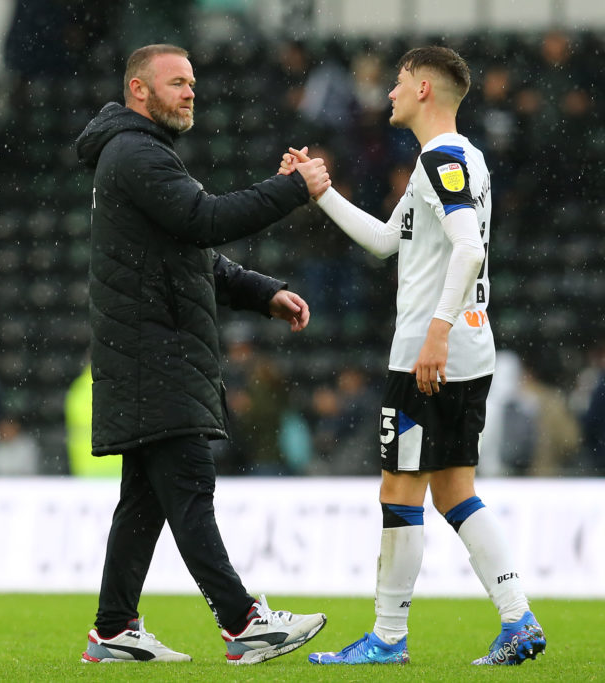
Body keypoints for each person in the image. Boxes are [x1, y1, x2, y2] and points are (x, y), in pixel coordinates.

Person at [282, 46, 546, 666]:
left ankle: (387, 637)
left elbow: (467, 250)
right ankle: (519, 620)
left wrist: (434, 331)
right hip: (468, 350)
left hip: (432, 356)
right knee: (455, 492)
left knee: (399, 491)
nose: (389, 93)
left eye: (398, 83)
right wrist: (322, 191)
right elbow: (383, 242)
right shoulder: (457, 159)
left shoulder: (442, 159)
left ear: (425, 88)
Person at [74, 43, 330, 665]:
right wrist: (290, 188)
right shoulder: (136, 153)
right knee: (188, 487)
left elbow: (195, 255)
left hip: (149, 354)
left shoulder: (140, 154)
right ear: (139, 90)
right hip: (154, 356)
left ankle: (113, 630)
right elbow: (205, 219)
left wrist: (265, 293)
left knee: (144, 500)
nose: (191, 92)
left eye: (193, 82)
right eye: (177, 82)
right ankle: (244, 623)